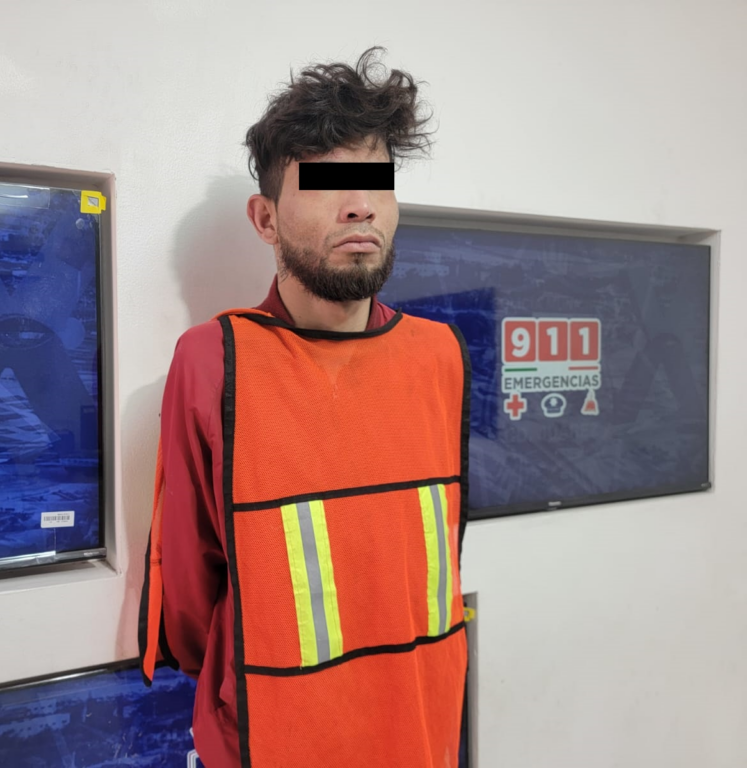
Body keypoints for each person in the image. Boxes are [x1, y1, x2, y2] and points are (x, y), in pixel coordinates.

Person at [139, 47, 471, 768]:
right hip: (271, 739)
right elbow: (189, 591)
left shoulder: (439, 354)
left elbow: (438, 551)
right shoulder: (214, 359)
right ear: (265, 218)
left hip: (423, 732)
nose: (360, 205)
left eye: (376, 183)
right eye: (326, 184)